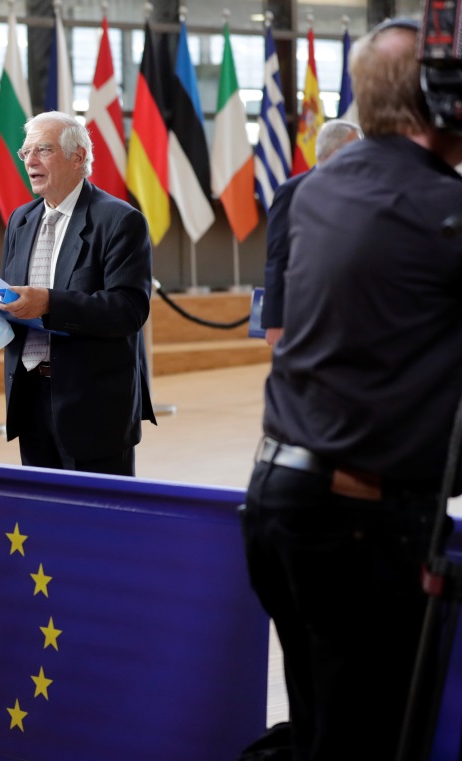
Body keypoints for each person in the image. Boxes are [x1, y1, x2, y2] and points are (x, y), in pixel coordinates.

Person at [241, 19, 462, 761]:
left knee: (321, 734)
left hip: (280, 504)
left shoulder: (318, 189)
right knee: (373, 741)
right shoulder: (440, 209)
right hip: (359, 526)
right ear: (438, 97)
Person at [0, 111, 154, 476]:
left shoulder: (119, 220)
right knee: (41, 509)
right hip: (29, 398)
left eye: (43, 150)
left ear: (78, 157)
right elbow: (18, 300)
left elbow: (128, 310)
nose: (30, 161)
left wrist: (50, 303)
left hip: (94, 407)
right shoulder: (20, 220)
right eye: (25, 152)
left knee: (95, 512)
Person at [260, 118, 361, 347]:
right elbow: (278, 257)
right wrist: (275, 321)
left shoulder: (361, 192)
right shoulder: (292, 191)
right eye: (358, 149)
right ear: (337, 154)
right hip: (306, 309)